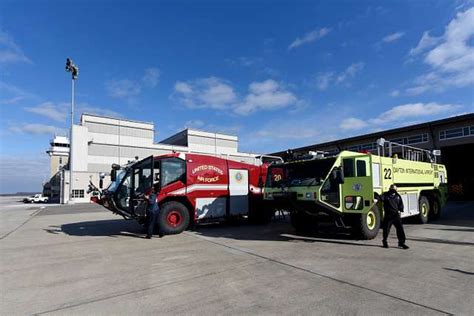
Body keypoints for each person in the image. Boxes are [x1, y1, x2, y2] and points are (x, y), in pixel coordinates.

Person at [380, 184, 409, 249]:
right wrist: (376, 199)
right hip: (388, 215)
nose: (393, 190)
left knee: (400, 229)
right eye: (392, 188)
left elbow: (400, 204)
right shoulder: (385, 195)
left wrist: (400, 210)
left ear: (396, 190)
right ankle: (385, 242)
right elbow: (380, 197)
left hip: (396, 215)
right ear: (390, 189)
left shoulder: (397, 196)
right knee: (386, 229)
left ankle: (401, 243)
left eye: (394, 189)